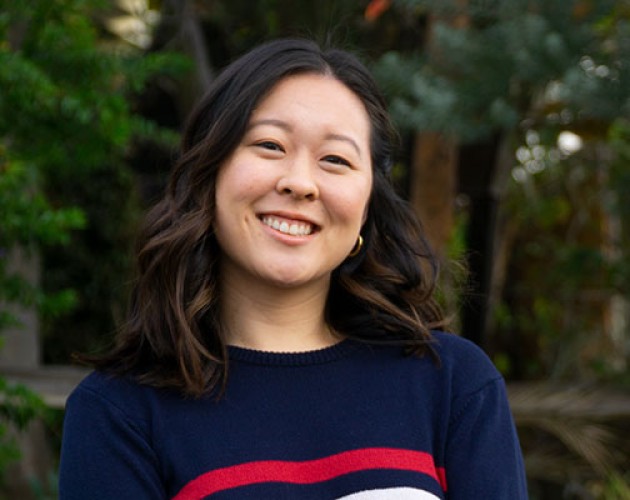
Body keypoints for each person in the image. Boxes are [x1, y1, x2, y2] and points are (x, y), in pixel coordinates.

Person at [58, 38, 528, 499]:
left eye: (336, 160)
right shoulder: (119, 413)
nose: (301, 183)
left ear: (367, 206)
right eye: (270, 145)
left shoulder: (452, 385)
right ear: (210, 172)